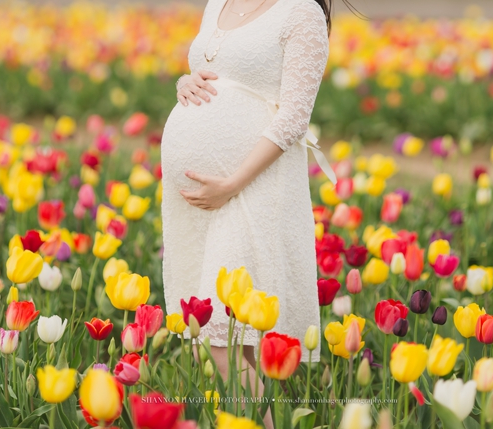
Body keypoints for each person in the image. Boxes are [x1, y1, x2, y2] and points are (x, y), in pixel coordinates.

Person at [159, 0, 340, 418]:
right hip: (204, 204)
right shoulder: (218, 2)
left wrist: (232, 182)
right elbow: (218, 76)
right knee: (240, 345)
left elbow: (295, 117)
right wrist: (185, 83)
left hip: (255, 189)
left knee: (220, 340)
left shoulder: (301, 13)